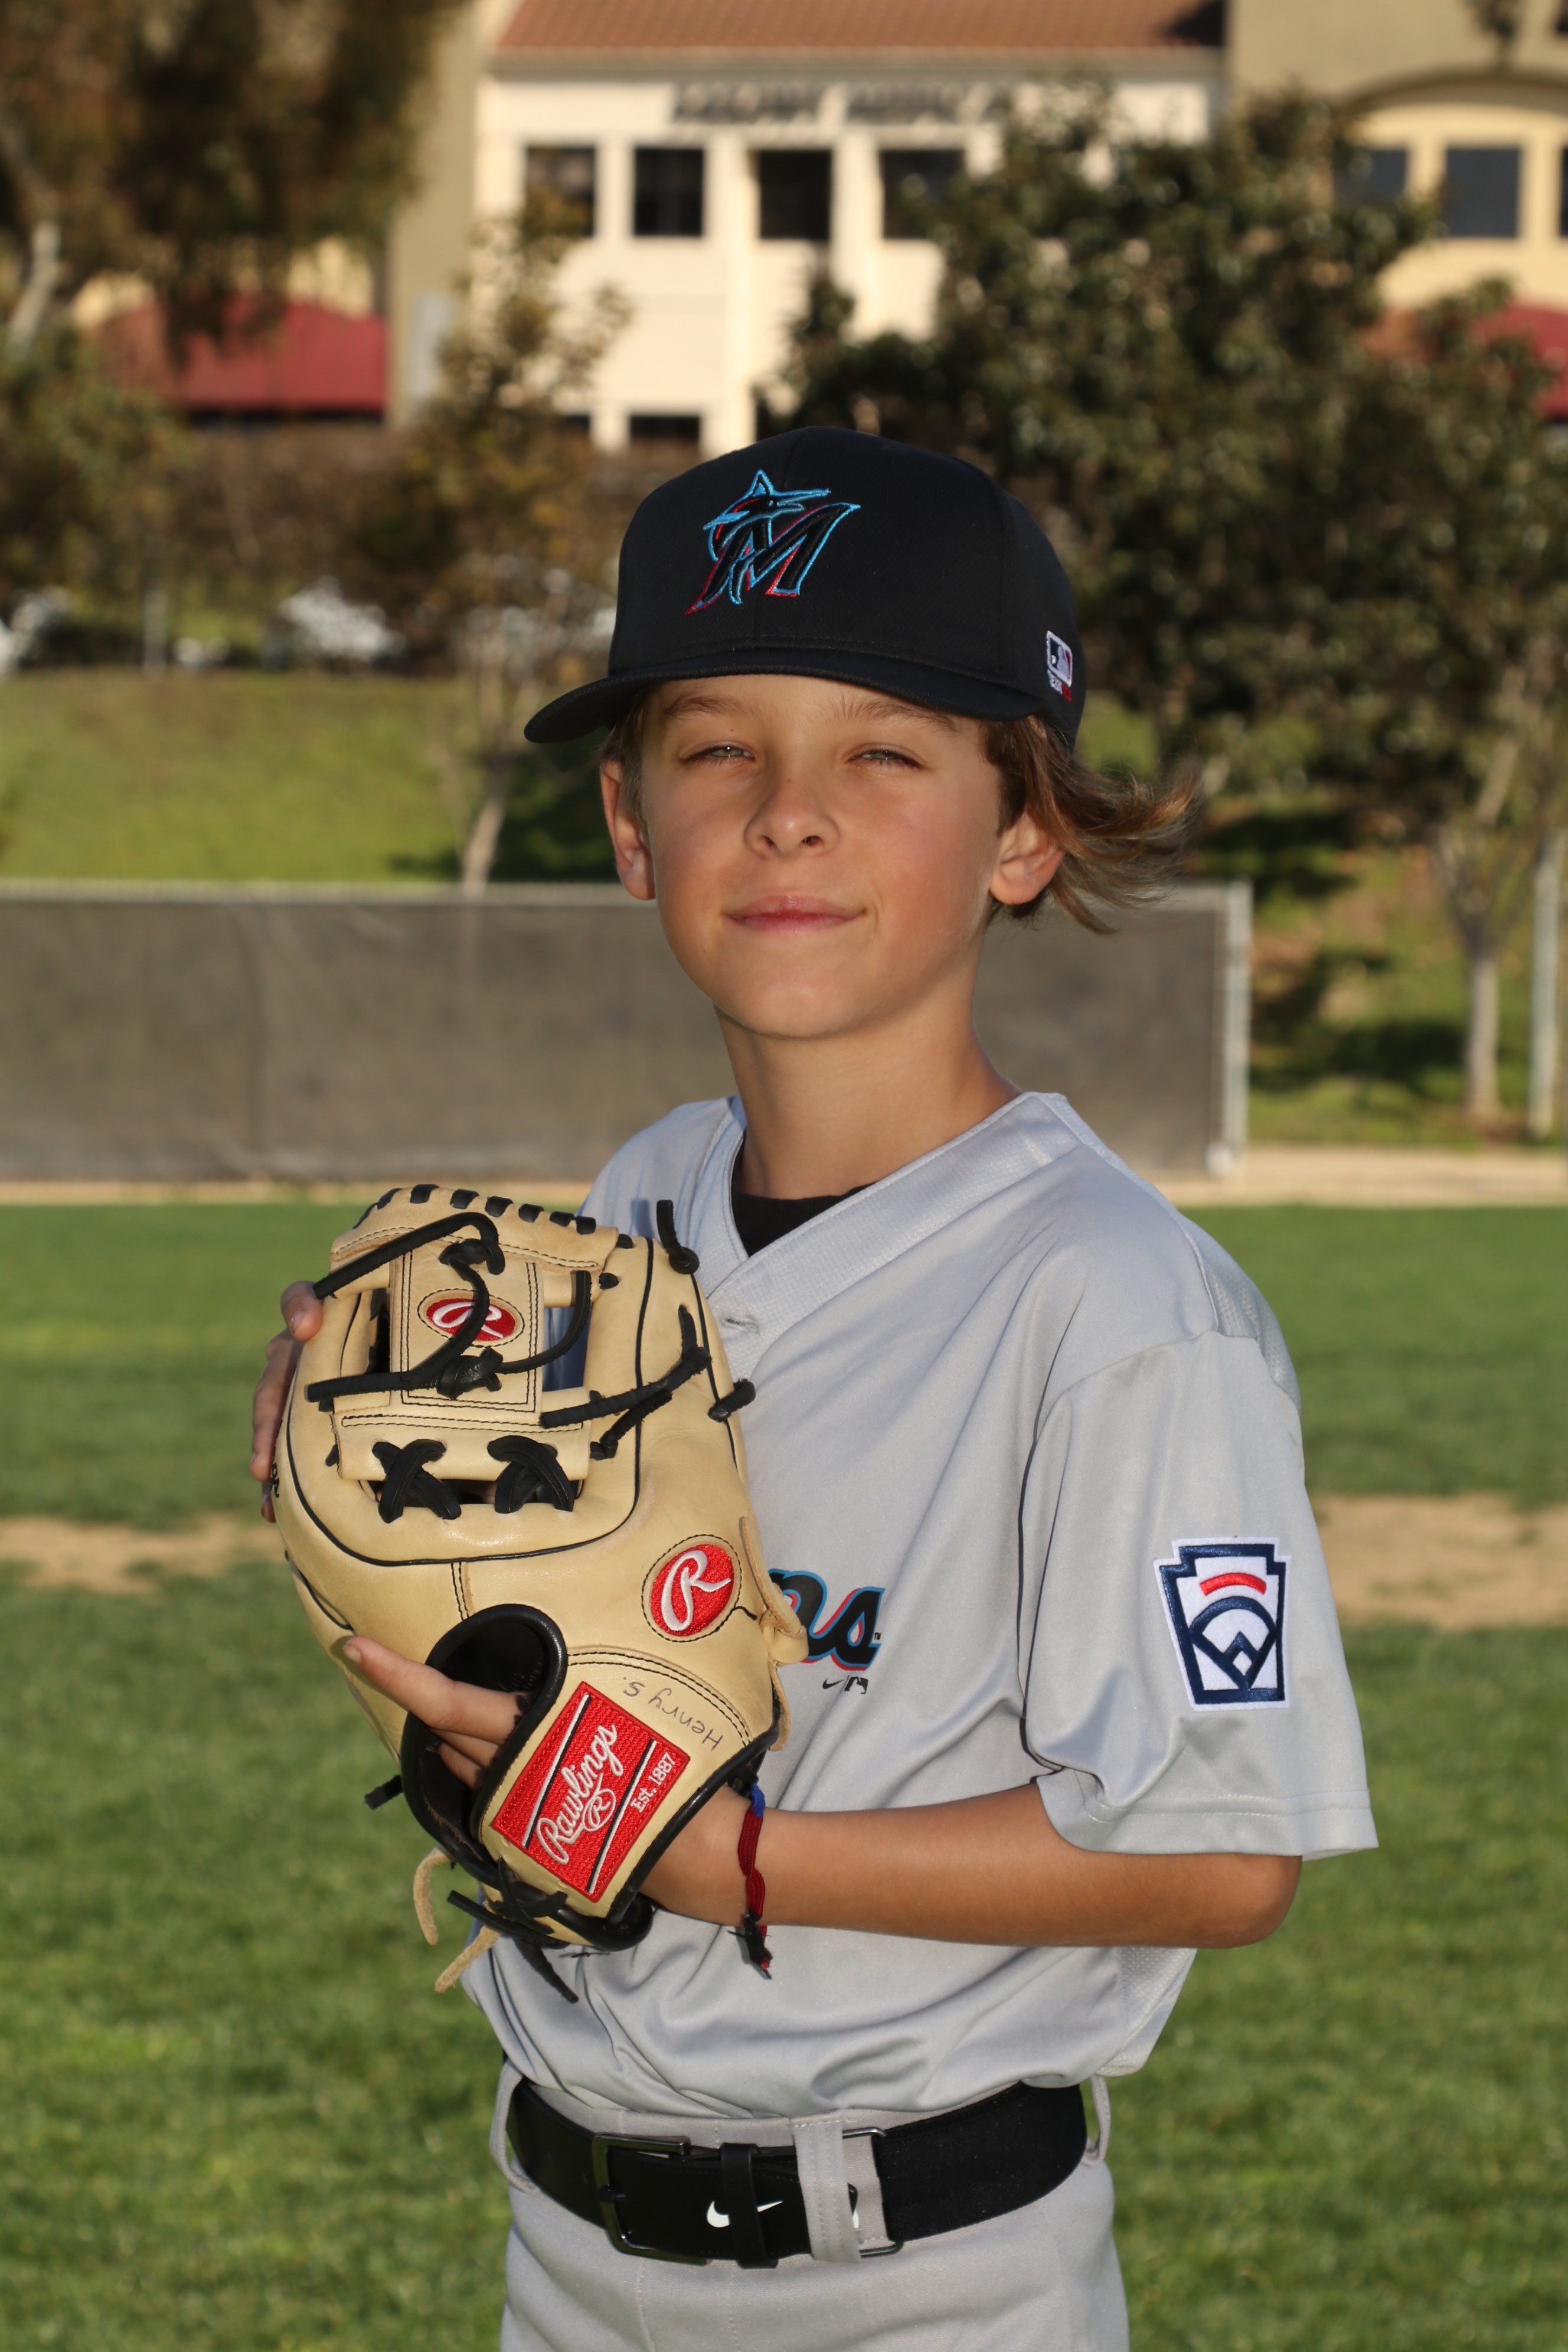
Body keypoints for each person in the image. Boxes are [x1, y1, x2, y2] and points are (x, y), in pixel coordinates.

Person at [251, 430, 1375, 2351]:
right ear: (632, 828)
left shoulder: (1115, 1303)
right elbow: (615, 1699)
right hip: (568, 2252)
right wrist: (434, 1630)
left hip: (926, 2277)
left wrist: (727, 1862)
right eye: (719, 750)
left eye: (883, 753)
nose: (788, 817)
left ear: (1024, 830)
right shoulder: (631, 1207)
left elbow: (1221, 1851)